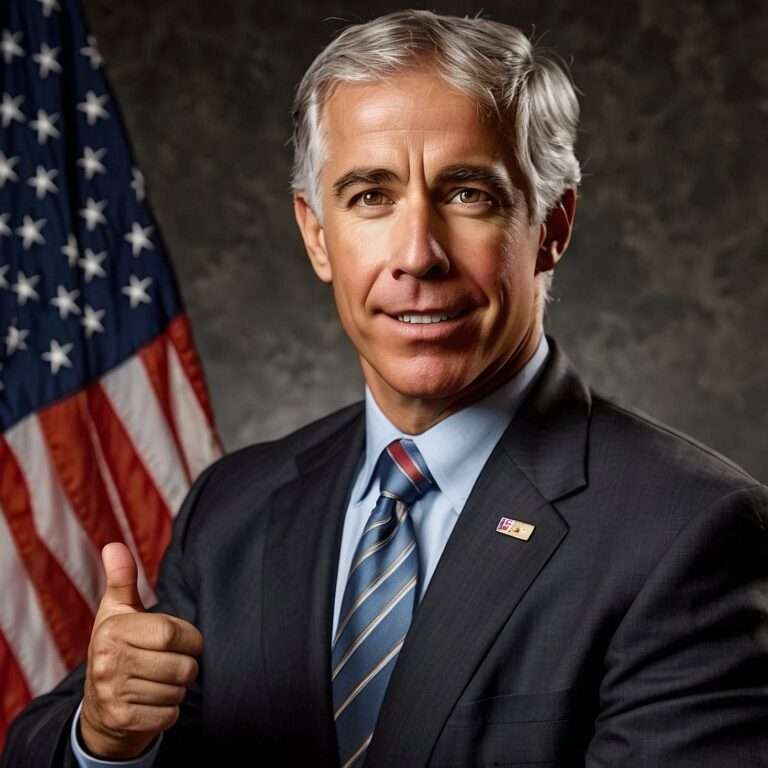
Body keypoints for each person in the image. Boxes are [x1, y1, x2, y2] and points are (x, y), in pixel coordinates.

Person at [3, 9, 767, 768]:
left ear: (553, 225)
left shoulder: (688, 532)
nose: (418, 255)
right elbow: (41, 748)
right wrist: (105, 738)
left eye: (468, 193)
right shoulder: (237, 506)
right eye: (371, 196)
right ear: (315, 234)